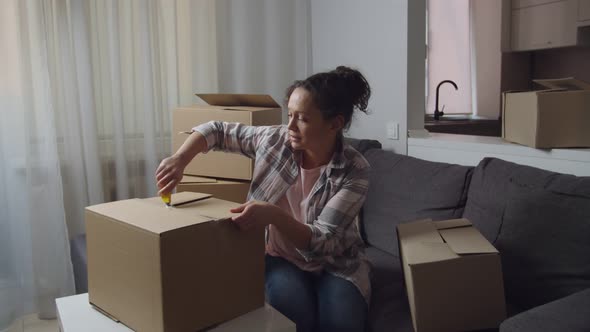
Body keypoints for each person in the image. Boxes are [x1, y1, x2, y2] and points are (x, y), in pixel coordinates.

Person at [156, 66, 372, 332]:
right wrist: (180, 160)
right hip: (280, 257)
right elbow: (216, 130)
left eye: (302, 119)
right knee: (293, 317)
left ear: (335, 123)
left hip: (338, 263)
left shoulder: (355, 169)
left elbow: (324, 242)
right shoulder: (274, 140)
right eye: (289, 115)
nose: (290, 126)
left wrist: (273, 215)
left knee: (340, 324)